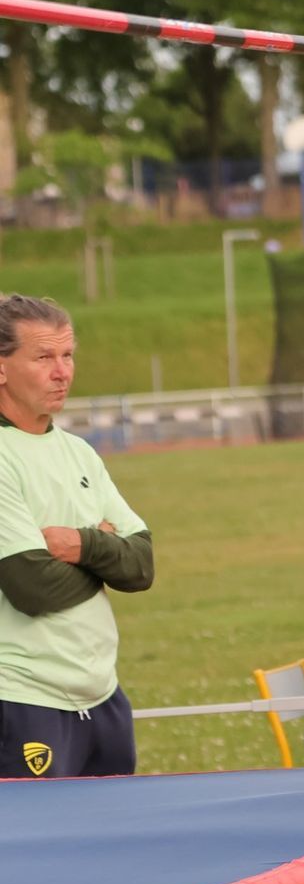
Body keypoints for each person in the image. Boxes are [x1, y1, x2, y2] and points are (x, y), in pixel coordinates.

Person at [0, 294, 154, 780]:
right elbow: (31, 587)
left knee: (114, 850)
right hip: (24, 700)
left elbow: (142, 565)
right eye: (43, 357)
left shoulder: (79, 453)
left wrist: (81, 546)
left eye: (68, 356)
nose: (62, 371)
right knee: (36, 854)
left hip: (102, 697)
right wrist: (105, 555)